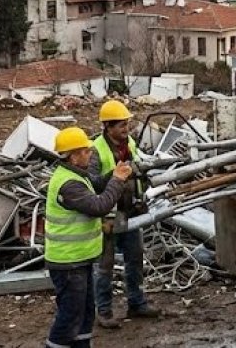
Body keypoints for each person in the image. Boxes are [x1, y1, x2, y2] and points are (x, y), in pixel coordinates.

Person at [45, 127, 131, 348]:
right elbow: (99, 206)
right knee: (69, 317)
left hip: (79, 259)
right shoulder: (68, 184)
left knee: (85, 314)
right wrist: (118, 181)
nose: (90, 153)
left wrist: (113, 175)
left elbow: (95, 184)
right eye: (85, 151)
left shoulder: (75, 175)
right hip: (68, 262)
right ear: (73, 155)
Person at [90, 100, 160, 329]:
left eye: (127, 124)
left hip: (131, 211)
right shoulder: (96, 150)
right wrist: (117, 174)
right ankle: (104, 311)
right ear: (108, 127)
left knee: (135, 259)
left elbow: (139, 167)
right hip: (109, 216)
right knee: (105, 266)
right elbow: (91, 184)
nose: (125, 129)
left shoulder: (129, 143)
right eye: (121, 125)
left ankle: (137, 303)